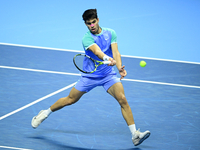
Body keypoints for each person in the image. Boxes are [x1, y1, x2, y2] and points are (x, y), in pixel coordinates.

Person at [31, 9, 150, 146]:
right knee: (70, 100)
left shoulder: (111, 33)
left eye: (93, 22)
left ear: (98, 20)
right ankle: (45, 113)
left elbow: (116, 51)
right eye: (88, 23)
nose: (92, 25)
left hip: (107, 75)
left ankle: (135, 135)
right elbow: (97, 52)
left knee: (122, 99)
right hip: (90, 76)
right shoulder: (86, 38)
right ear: (86, 24)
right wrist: (106, 58)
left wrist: (119, 67)